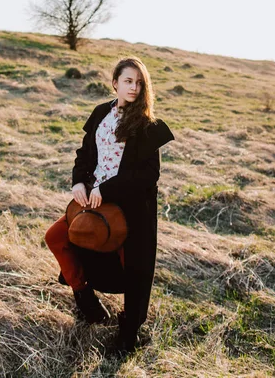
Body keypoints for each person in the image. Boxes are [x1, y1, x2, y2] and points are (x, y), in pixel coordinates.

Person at [45, 56, 175, 355]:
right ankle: (86, 301)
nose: (134, 87)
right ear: (114, 82)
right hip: (92, 199)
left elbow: (148, 175)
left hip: (128, 205)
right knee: (57, 236)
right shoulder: (102, 113)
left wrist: (108, 188)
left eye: (140, 83)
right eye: (128, 81)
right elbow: (85, 154)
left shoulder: (145, 125)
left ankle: (128, 334)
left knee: (134, 270)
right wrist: (79, 181)